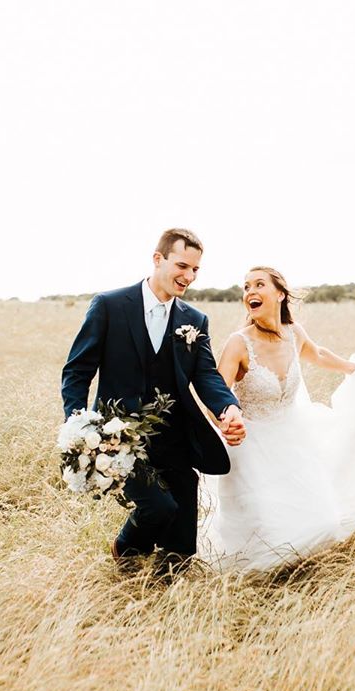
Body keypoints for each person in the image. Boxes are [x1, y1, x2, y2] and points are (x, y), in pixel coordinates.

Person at [198, 266, 355, 572]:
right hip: (250, 447)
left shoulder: (293, 333)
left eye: (259, 284)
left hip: (293, 440)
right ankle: (259, 586)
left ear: (280, 293)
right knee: (263, 525)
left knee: (322, 519)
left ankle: (300, 575)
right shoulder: (239, 343)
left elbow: (319, 354)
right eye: (246, 287)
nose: (249, 292)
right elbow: (217, 392)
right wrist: (226, 420)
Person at [60, 229, 245, 571]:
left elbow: (205, 376)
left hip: (175, 437)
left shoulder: (194, 320)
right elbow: (77, 371)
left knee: (182, 545)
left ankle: (165, 591)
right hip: (120, 438)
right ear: (158, 259)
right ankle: (125, 550)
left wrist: (227, 408)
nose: (189, 276)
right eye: (182, 266)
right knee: (159, 508)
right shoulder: (110, 306)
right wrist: (79, 427)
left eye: (195, 270)